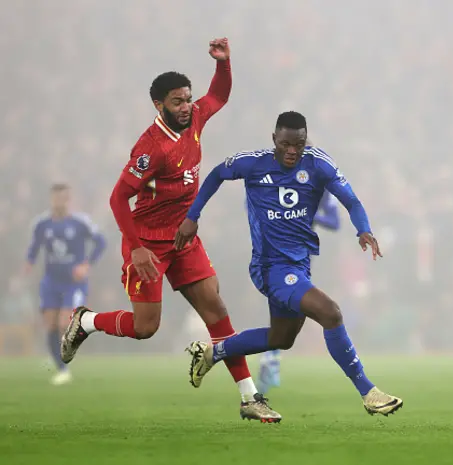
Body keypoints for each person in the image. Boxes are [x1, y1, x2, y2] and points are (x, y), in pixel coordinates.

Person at [60, 38, 280, 422]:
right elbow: (118, 199)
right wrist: (137, 247)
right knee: (146, 328)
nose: (186, 106)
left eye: (187, 99)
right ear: (159, 105)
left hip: (184, 238)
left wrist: (224, 64)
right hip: (147, 243)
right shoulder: (151, 149)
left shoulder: (194, 118)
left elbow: (219, 96)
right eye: (177, 101)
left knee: (216, 309)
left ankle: (250, 398)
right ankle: (87, 321)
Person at [176, 111, 403, 416]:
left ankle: (211, 353)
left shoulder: (318, 163)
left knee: (280, 339)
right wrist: (192, 216)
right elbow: (217, 174)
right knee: (331, 313)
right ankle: (369, 392)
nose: (292, 151)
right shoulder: (253, 163)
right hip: (270, 267)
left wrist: (363, 229)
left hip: (298, 266)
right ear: (274, 140)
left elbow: (352, 201)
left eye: (298, 144)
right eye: (285, 144)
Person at [257, 188, 340, 394]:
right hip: (278, 255)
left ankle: (271, 358)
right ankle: (270, 358)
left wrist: (311, 214)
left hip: (302, 257)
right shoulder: (280, 182)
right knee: (290, 305)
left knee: (294, 309)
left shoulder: (324, 191)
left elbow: (335, 222)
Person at [24, 183, 106, 385]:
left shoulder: (80, 222)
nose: (59, 201)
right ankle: (62, 368)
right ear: (51, 199)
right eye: (56, 198)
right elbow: (35, 246)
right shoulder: (42, 224)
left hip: (73, 282)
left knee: (64, 323)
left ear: (69, 200)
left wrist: (86, 265)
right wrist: (29, 263)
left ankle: (63, 362)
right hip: (51, 280)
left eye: (63, 198)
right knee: (50, 324)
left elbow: (101, 242)